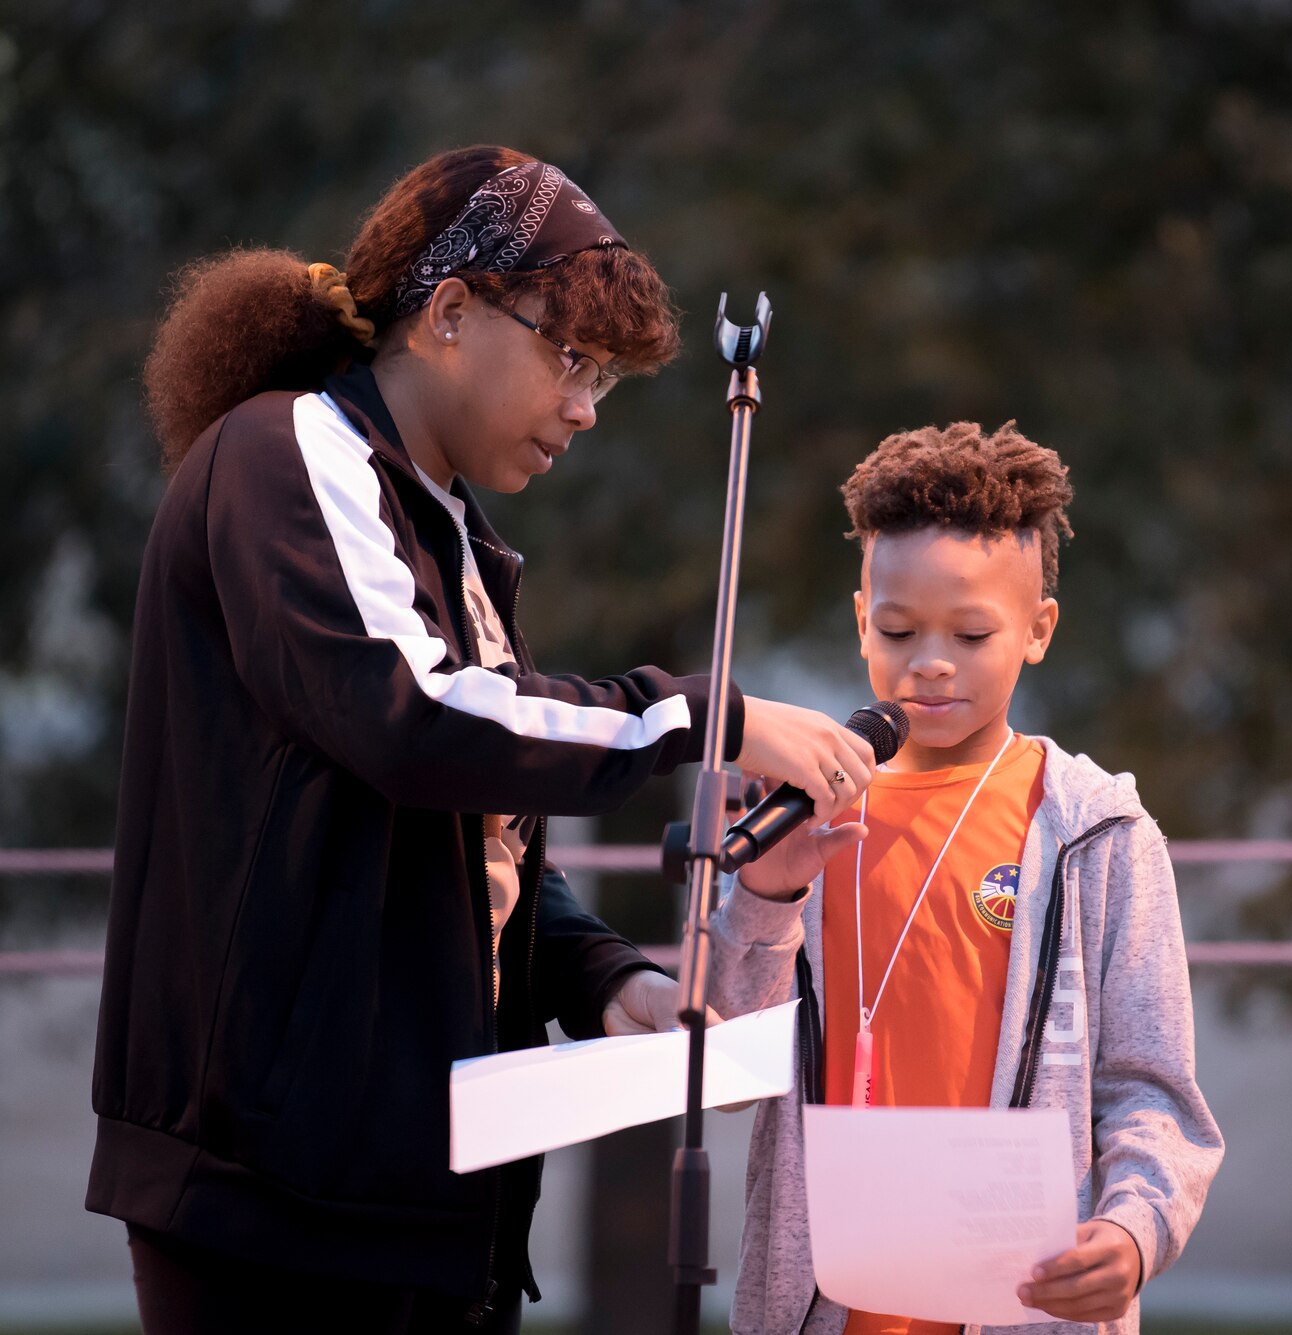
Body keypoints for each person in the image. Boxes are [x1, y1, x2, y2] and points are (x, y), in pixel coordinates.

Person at [87, 145, 879, 1334]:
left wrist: (603, 980)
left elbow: (472, 839)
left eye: (604, 380)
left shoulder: (450, 532)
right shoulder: (290, 450)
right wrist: (706, 716)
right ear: (449, 313)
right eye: (570, 357)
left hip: (425, 1191)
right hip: (273, 1189)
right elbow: (410, 718)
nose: (582, 408)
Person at [708, 421, 1223, 1334]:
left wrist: (1134, 1231)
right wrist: (765, 896)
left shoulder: (1096, 830)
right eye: (900, 628)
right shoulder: (795, 808)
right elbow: (723, 1062)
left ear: (1038, 630)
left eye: (973, 631)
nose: (932, 659)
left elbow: (1154, 1090)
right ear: (861, 617)